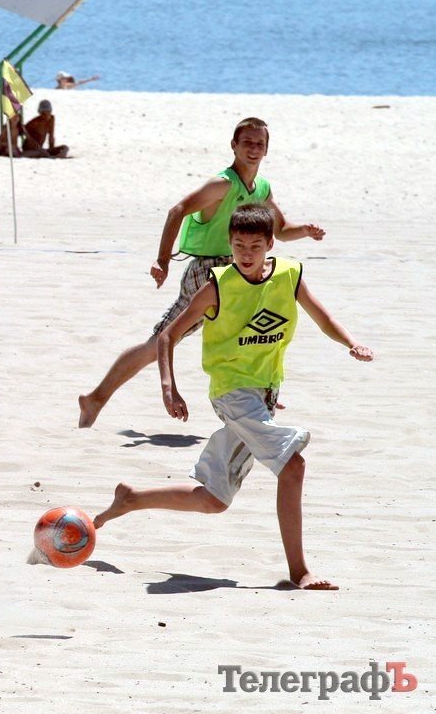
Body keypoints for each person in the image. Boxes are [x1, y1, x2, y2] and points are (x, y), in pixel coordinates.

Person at [93, 204, 373, 590]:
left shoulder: (289, 276)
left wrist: (352, 343)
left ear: (270, 244)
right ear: (229, 243)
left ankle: (131, 498)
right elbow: (167, 336)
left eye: (254, 246)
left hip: (262, 396)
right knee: (293, 466)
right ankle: (299, 572)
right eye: (238, 244)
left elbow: (322, 317)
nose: (245, 253)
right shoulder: (218, 286)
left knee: (213, 499)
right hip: (231, 394)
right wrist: (168, 387)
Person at [78, 117, 326, 428]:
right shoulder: (221, 185)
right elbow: (177, 210)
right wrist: (163, 261)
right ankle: (95, 399)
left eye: (259, 144)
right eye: (247, 142)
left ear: (266, 150)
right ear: (234, 145)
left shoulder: (261, 187)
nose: (253, 148)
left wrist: (306, 230)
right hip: (208, 270)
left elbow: (282, 230)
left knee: (252, 326)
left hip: (237, 268)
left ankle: (257, 388)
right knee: (160, 343)